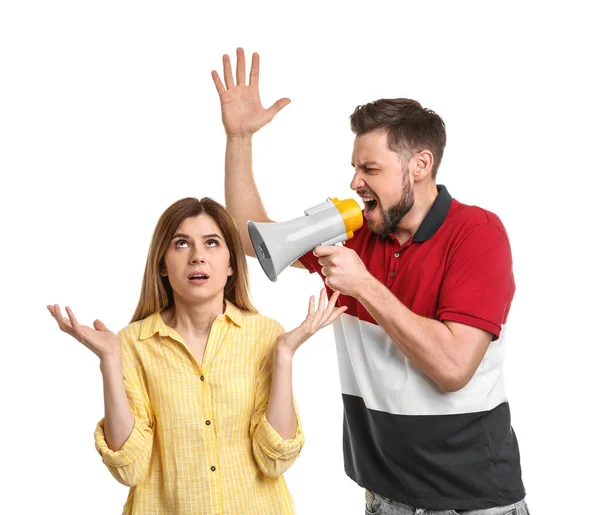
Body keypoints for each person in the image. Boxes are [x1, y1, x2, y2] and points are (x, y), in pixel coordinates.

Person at [212, 48, 529, 515]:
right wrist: (239, 138)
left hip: (473, 501)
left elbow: (452, 368)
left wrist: (364, 286)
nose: (355, 182)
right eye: (356, 167)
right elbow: (249, 236)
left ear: (420, 165)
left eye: (370, 169)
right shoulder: (356, 235)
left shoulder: (477, 235)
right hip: (384, 500)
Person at [48, 196, 346, 515]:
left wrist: (284, 354)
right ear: (162, 263)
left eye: (212, 243)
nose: (198, 257)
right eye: (181, 244)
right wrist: (109, 359)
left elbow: (275, 460)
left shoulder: (265, 335)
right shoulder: (132, 344)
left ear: (232, 264)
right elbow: (128, 469)